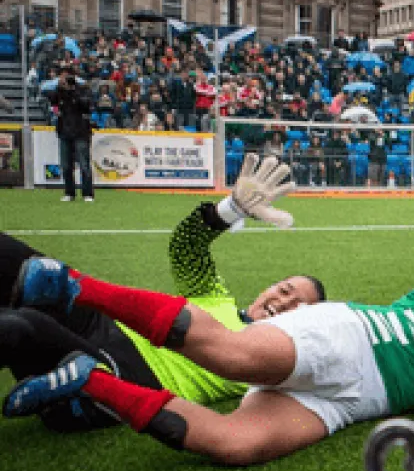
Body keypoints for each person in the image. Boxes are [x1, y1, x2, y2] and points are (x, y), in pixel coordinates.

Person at [6, 249, 414, 466]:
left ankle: (89, 382)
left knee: (237, 445)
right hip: (353, 339)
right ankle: (76, 287)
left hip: (355, 402)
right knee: (232, 356)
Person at [1, 156, 319, 433]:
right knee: (24, 265)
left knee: (20, 326)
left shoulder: (268, 362)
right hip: (102, 322)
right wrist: (231, 209)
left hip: (125, 376)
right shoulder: (216, 295)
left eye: (299, 307)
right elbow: (186, 249)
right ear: (267, 288)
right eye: (285, 290)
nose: (284, 302)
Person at [49, 68, 95, 203]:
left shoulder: (82, 89)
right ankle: (69, 192)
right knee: (66, 165)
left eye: (67, 77)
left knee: (83, 163)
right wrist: (59, 88)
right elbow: (52, 100)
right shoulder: (59, 92)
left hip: (80, 131)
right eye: (62, 77)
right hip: (64, 131)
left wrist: (73, 90)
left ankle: (87, 193)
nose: (64, 80)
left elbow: (87, 105)